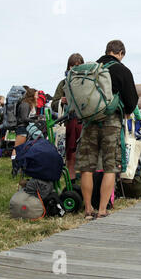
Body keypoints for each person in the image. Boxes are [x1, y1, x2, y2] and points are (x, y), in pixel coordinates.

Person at [75, 40, 139, 220]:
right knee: (111, 167)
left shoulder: (90, 69)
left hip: (89, 122)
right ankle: (102, 209)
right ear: (120, 53)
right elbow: (131, 101)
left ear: (107, 51)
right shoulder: (122, 70)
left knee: (87, 167)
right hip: (111, 122)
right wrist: (126, 112)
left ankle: (88, 210)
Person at [51, 53, 85, 184]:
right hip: (70, 122)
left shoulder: (87, 82)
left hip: (85, 122)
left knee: (86, 156)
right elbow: (54, 104)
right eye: (73, 66)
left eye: (78, 66)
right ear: (69, 66)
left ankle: (85, 184)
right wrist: (61, 101)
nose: (75, 69)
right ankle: (71, 184)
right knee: (71, 155)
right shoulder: (63, 83)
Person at [11, 86, 39, 175]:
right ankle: (15, 169)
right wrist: (35, 120)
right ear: (32, 95)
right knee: (17, 148)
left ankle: (18, 168)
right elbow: (24, 118)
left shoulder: (26, 104)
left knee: (20, 148)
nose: (37, 97)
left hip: (23, 128)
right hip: (22, 128)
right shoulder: (25, 104)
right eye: (36, 95)